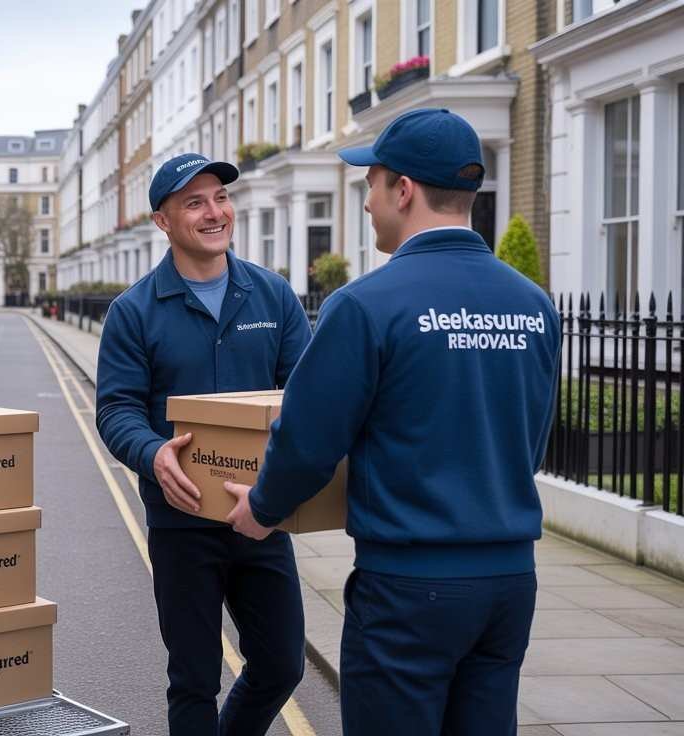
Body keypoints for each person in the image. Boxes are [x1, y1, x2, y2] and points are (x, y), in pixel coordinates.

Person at [225, 109, 561, 736]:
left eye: (371, 185)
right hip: (510, 584)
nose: (366, 203)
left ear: (403, 189)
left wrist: (263, 508)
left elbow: (308, 439)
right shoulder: (533, 303)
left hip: (411, 587)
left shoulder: (365, 304)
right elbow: (532, 440)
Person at [95, 153, 312, 735]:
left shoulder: (273, 297)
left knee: (282, 664)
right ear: (163, 222)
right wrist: (151, 452)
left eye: (220, 197)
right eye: (194, 202)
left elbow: (307, 397)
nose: (214, 212)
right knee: (193, 677)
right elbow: (116, 409)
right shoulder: (133, 311)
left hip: (261, 516)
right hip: (182, 522)